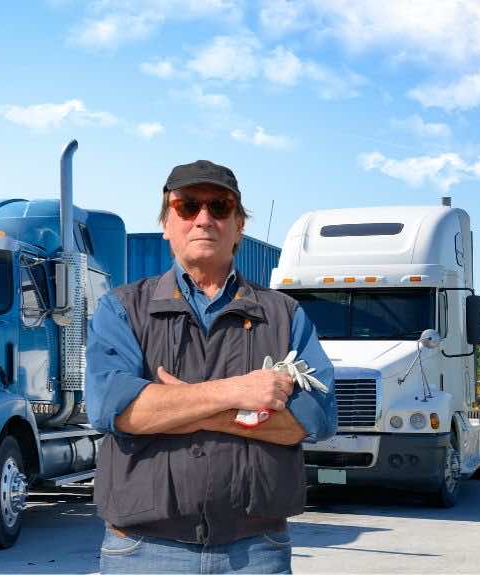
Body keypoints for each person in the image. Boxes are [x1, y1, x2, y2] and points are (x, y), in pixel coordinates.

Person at [85, 160, 337, 574]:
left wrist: (176, 404)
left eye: (219, 206)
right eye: (186, 207)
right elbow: (118, 410)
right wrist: (239, 393)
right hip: (144, 551)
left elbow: (314, 417)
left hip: (256, 551)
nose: (203, 218)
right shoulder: (122, 309)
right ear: (166, 223)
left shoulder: (285, 315)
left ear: (239, 225)